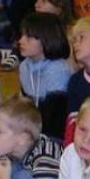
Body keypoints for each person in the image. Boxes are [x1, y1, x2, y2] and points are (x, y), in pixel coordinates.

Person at [16, 12, 71, 140]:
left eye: (28, 36)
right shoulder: (25, 66)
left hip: (53, 134)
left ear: (47, 39)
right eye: (22, 35)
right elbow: (25, 102)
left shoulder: (58, 69)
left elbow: (54, 116)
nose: (21, 41)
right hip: (34, 126)